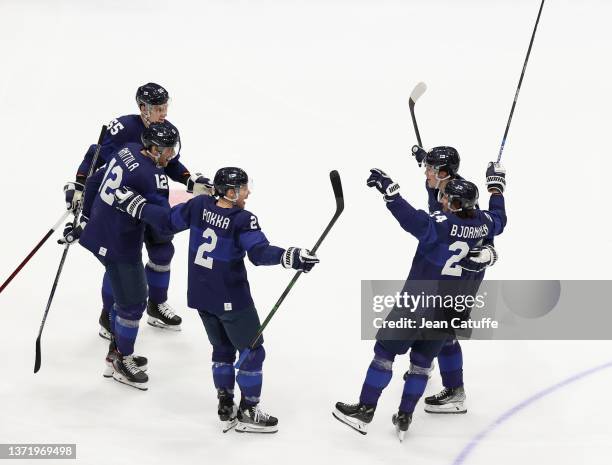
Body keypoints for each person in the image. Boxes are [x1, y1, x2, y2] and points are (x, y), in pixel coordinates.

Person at [112, 167, 320, 433]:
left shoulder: (199, 205)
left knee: (222, 349)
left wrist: (138, 207)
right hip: (232, 298)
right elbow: (258, 252)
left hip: (201, 296)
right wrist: (288, 256)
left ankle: (225, 403)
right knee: (252, 352)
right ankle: (248, 411)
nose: (249, 192)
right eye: (244, 188)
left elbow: (166, 222)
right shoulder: (243, 219)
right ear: (231, 193)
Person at [333, 162, 507, 440]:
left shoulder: (440, 224)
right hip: (450, 309)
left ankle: (365, 409)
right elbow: (499, 217)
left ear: (453, 203)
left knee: (385, 354)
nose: (440, 199)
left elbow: (412, 219)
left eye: (445, 197)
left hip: (417, 304)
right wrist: (496, 188)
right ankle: (405, 416)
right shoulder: (484, 223)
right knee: (422, 362)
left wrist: (391, 194)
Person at [62, 82, 212, 338]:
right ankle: (109, 315)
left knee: (162, 251)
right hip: (122, 204)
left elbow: (171, 163)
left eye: (165, 106)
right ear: (143, 108)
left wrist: (189, 180)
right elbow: (95, 156)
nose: (163, 112)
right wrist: (79, 184)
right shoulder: (124, 129)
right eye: (157, 108)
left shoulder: (164, 131)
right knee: (119, 262)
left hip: (152, 200)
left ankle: (156, 304)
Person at [59, 121, 184, 390]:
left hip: (100, 232)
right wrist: (196, 209)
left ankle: (116, 346)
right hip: (118, 242)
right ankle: (119, 360)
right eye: (168, 150)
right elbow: (164, 222)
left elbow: (94, 181)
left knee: (123, 290)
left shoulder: (127, 150)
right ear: (152, 148)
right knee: (134, 301)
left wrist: (85, 219)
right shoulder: (152, 178)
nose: (171, 155)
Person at [408, 145, 499, 414]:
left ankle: (455, 391)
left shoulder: (461, 196)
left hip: (462, 275)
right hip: (444, 269)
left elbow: (485, 229)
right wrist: (426, 164)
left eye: (430, 168)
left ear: (444, 172)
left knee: (444, 332)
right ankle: (427, 360)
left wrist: (489, 253)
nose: (425, 171)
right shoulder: (443, 185)